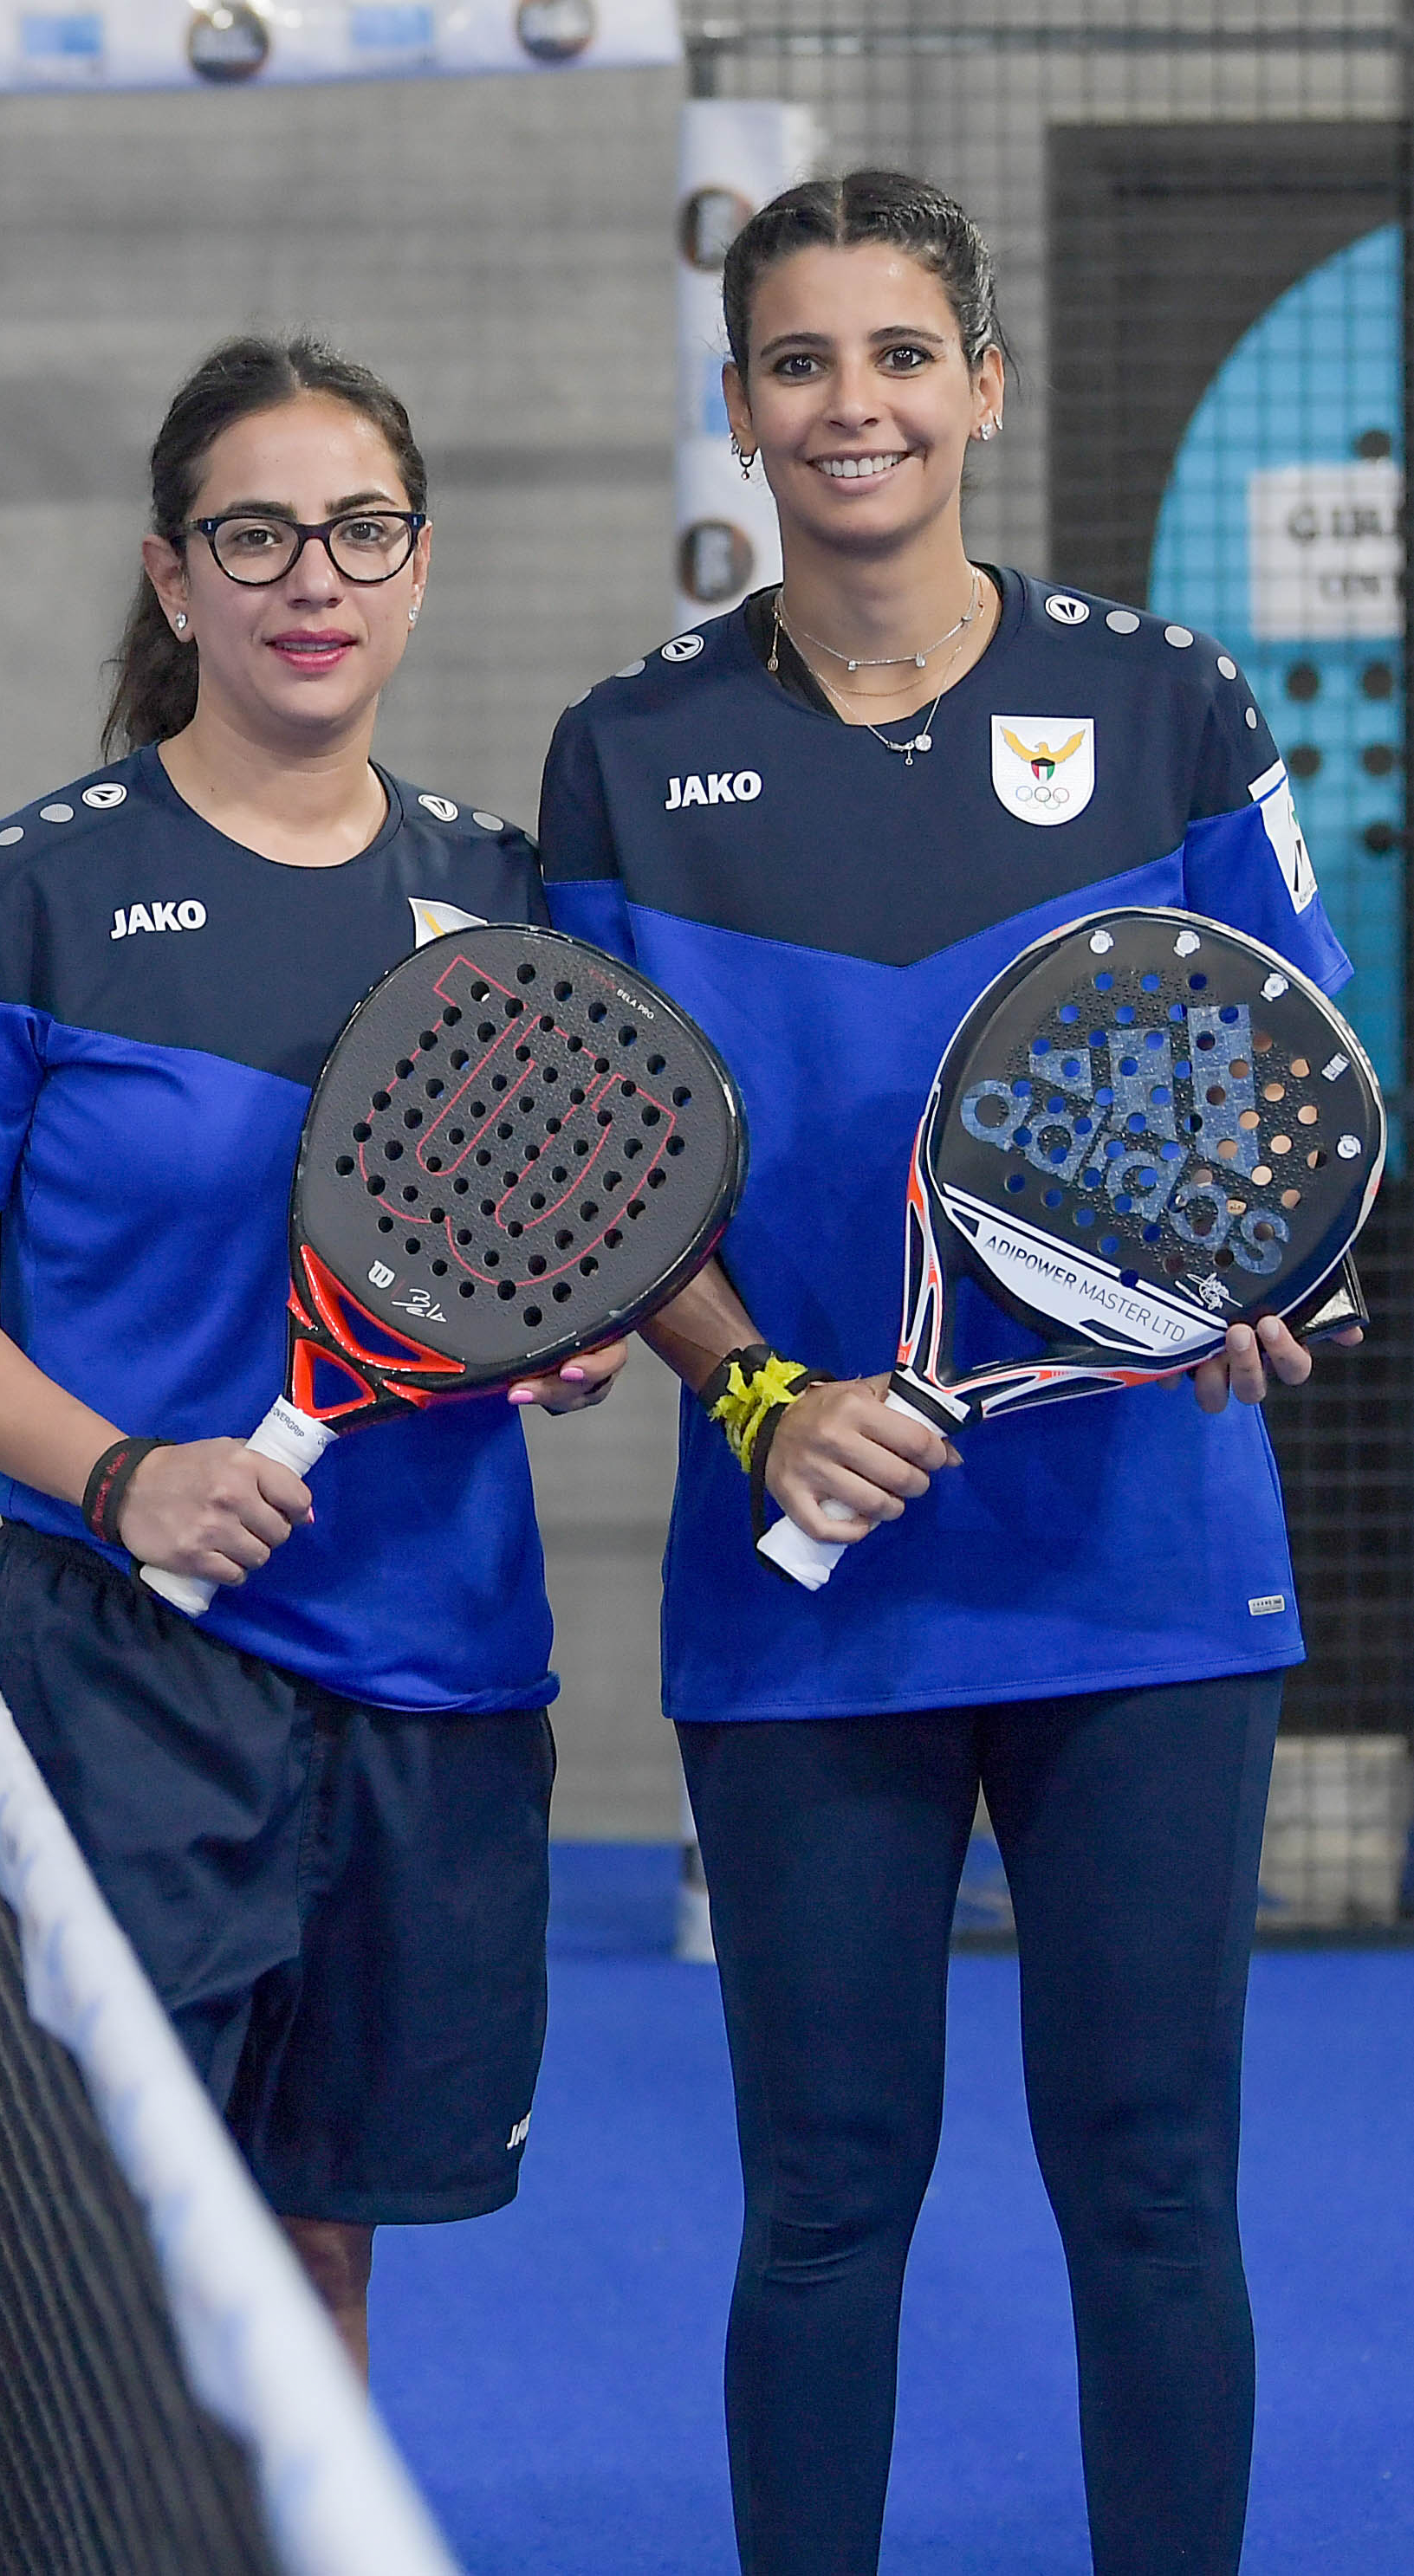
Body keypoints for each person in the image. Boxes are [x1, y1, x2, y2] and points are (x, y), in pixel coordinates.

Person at [542, 172, 1350, 2576]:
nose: (850, 405)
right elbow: (612, 1171)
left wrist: (1256, 1257)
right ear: (738, 413)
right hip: (810, 1581)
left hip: (1137, 1563)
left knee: (1148, 2172)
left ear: (979, 386)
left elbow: (1281, 1075)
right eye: (799, 363)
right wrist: (763, 1386)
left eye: (898, 355)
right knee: (819, 2189)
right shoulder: (626, 749)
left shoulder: (1164, 702)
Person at [0, 338, 610, 2371]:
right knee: (97, 2261)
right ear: (170, 575)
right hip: (129, 1667)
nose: (310, 576)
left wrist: (558, 1346)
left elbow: (545, 1234)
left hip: (433, 1668)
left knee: (316, 2256)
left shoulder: (496, 894)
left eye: (357, 531)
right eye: (253, 532)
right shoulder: (25, 898)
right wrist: (119, 1473)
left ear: (416, 566)